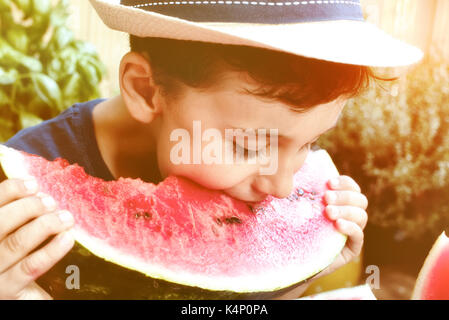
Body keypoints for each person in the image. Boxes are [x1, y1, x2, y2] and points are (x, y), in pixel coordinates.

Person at [0, 0, 422, 299]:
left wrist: (293, 280)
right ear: (146, 90)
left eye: (310, 143)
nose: (281, 186)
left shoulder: (266, 173)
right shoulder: (18, 201)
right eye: (248, 146)